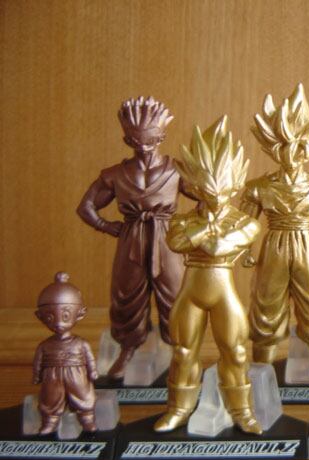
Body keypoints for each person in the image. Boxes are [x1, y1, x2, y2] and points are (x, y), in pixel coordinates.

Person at [154, 116, 262, 435]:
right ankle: (178, 409)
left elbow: (217, 247)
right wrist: (206, 230)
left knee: (236, 351)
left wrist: (201, 234)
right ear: (194, 186)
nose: (215, 195)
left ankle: (242, 410)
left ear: (235, 183)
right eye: (206, 187)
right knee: (182, 351)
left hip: (223, 292)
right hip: (191, 293)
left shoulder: (245, 221)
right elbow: (176, 242)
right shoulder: (181, 220)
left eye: (222, 187)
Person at [77, 96, 194, 379]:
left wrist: (189, 230)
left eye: (150, 140)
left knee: (175, 296)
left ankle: (179, 352)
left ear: (161, 137)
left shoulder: (177, 170)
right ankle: (127, 349)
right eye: (136, 141)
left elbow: (208, 200)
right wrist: (106, 226)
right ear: (127, 140)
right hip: (131, 239)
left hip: (167, 241)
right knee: (126, 296)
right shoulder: (115, 174)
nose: (143, 147)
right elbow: (86, 207)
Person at [240, 84, 309, 381]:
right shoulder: (258, 187)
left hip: (307, 246)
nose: (292, 153)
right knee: (266, 304)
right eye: (283, 145)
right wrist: (246, 250)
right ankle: (262, 365)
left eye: (299, 145)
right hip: (274, 246)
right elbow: (245, 222)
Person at [33, 272, 97, 434]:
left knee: (84, 397)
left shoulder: (81, 343)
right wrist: (37, 375)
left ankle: (87, 420)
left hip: (77, 374)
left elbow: (89, 358)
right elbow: (38, 361)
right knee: (50, 399)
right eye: (50, 317)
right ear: (40, 316)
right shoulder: (45, 345)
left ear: (80, 313)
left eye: (66, 316)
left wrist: (93, 371)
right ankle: (49, 422)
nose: (58, 323)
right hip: (51, 376)